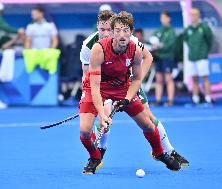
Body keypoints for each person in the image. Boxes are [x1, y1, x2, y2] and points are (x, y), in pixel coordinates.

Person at [80, 10, 189, 172]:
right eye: (102, 29)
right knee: (100, 119)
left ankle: (167, 151)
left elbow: (148, 59)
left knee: (149, 119)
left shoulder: (131, 42)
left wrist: (132, 88)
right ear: (98, 27)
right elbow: (87, 77)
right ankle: (98, 153)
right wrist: (98, 108)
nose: (106, 33)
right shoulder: (90, 46)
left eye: (109, 29)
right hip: (99, 86)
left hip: (125, 84)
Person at [183, 8, 213, 104]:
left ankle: (208, 99)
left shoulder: (204, 28)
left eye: (195, 14)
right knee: (194, 79)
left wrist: (204, 51)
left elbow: (210, 40)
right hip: (192, 58)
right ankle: (195, 99)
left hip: (202, 58)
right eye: (191, 14)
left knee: (205, 78)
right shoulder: (188, 29)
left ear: (198, 16)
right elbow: (187, 40)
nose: (193, 16)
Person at [152, 11, 176, 106]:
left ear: (169, 19)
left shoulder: (171, 31)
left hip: (168, 58)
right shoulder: (158, 31)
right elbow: (153, 41)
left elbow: (170, 45)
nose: (163, 20)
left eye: (165, 18)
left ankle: (170, 100)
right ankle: (158, 100)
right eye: (162, 18)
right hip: (158, 58)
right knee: (158, 79)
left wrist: (161, 46)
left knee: (168, 79)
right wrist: (154, 46)